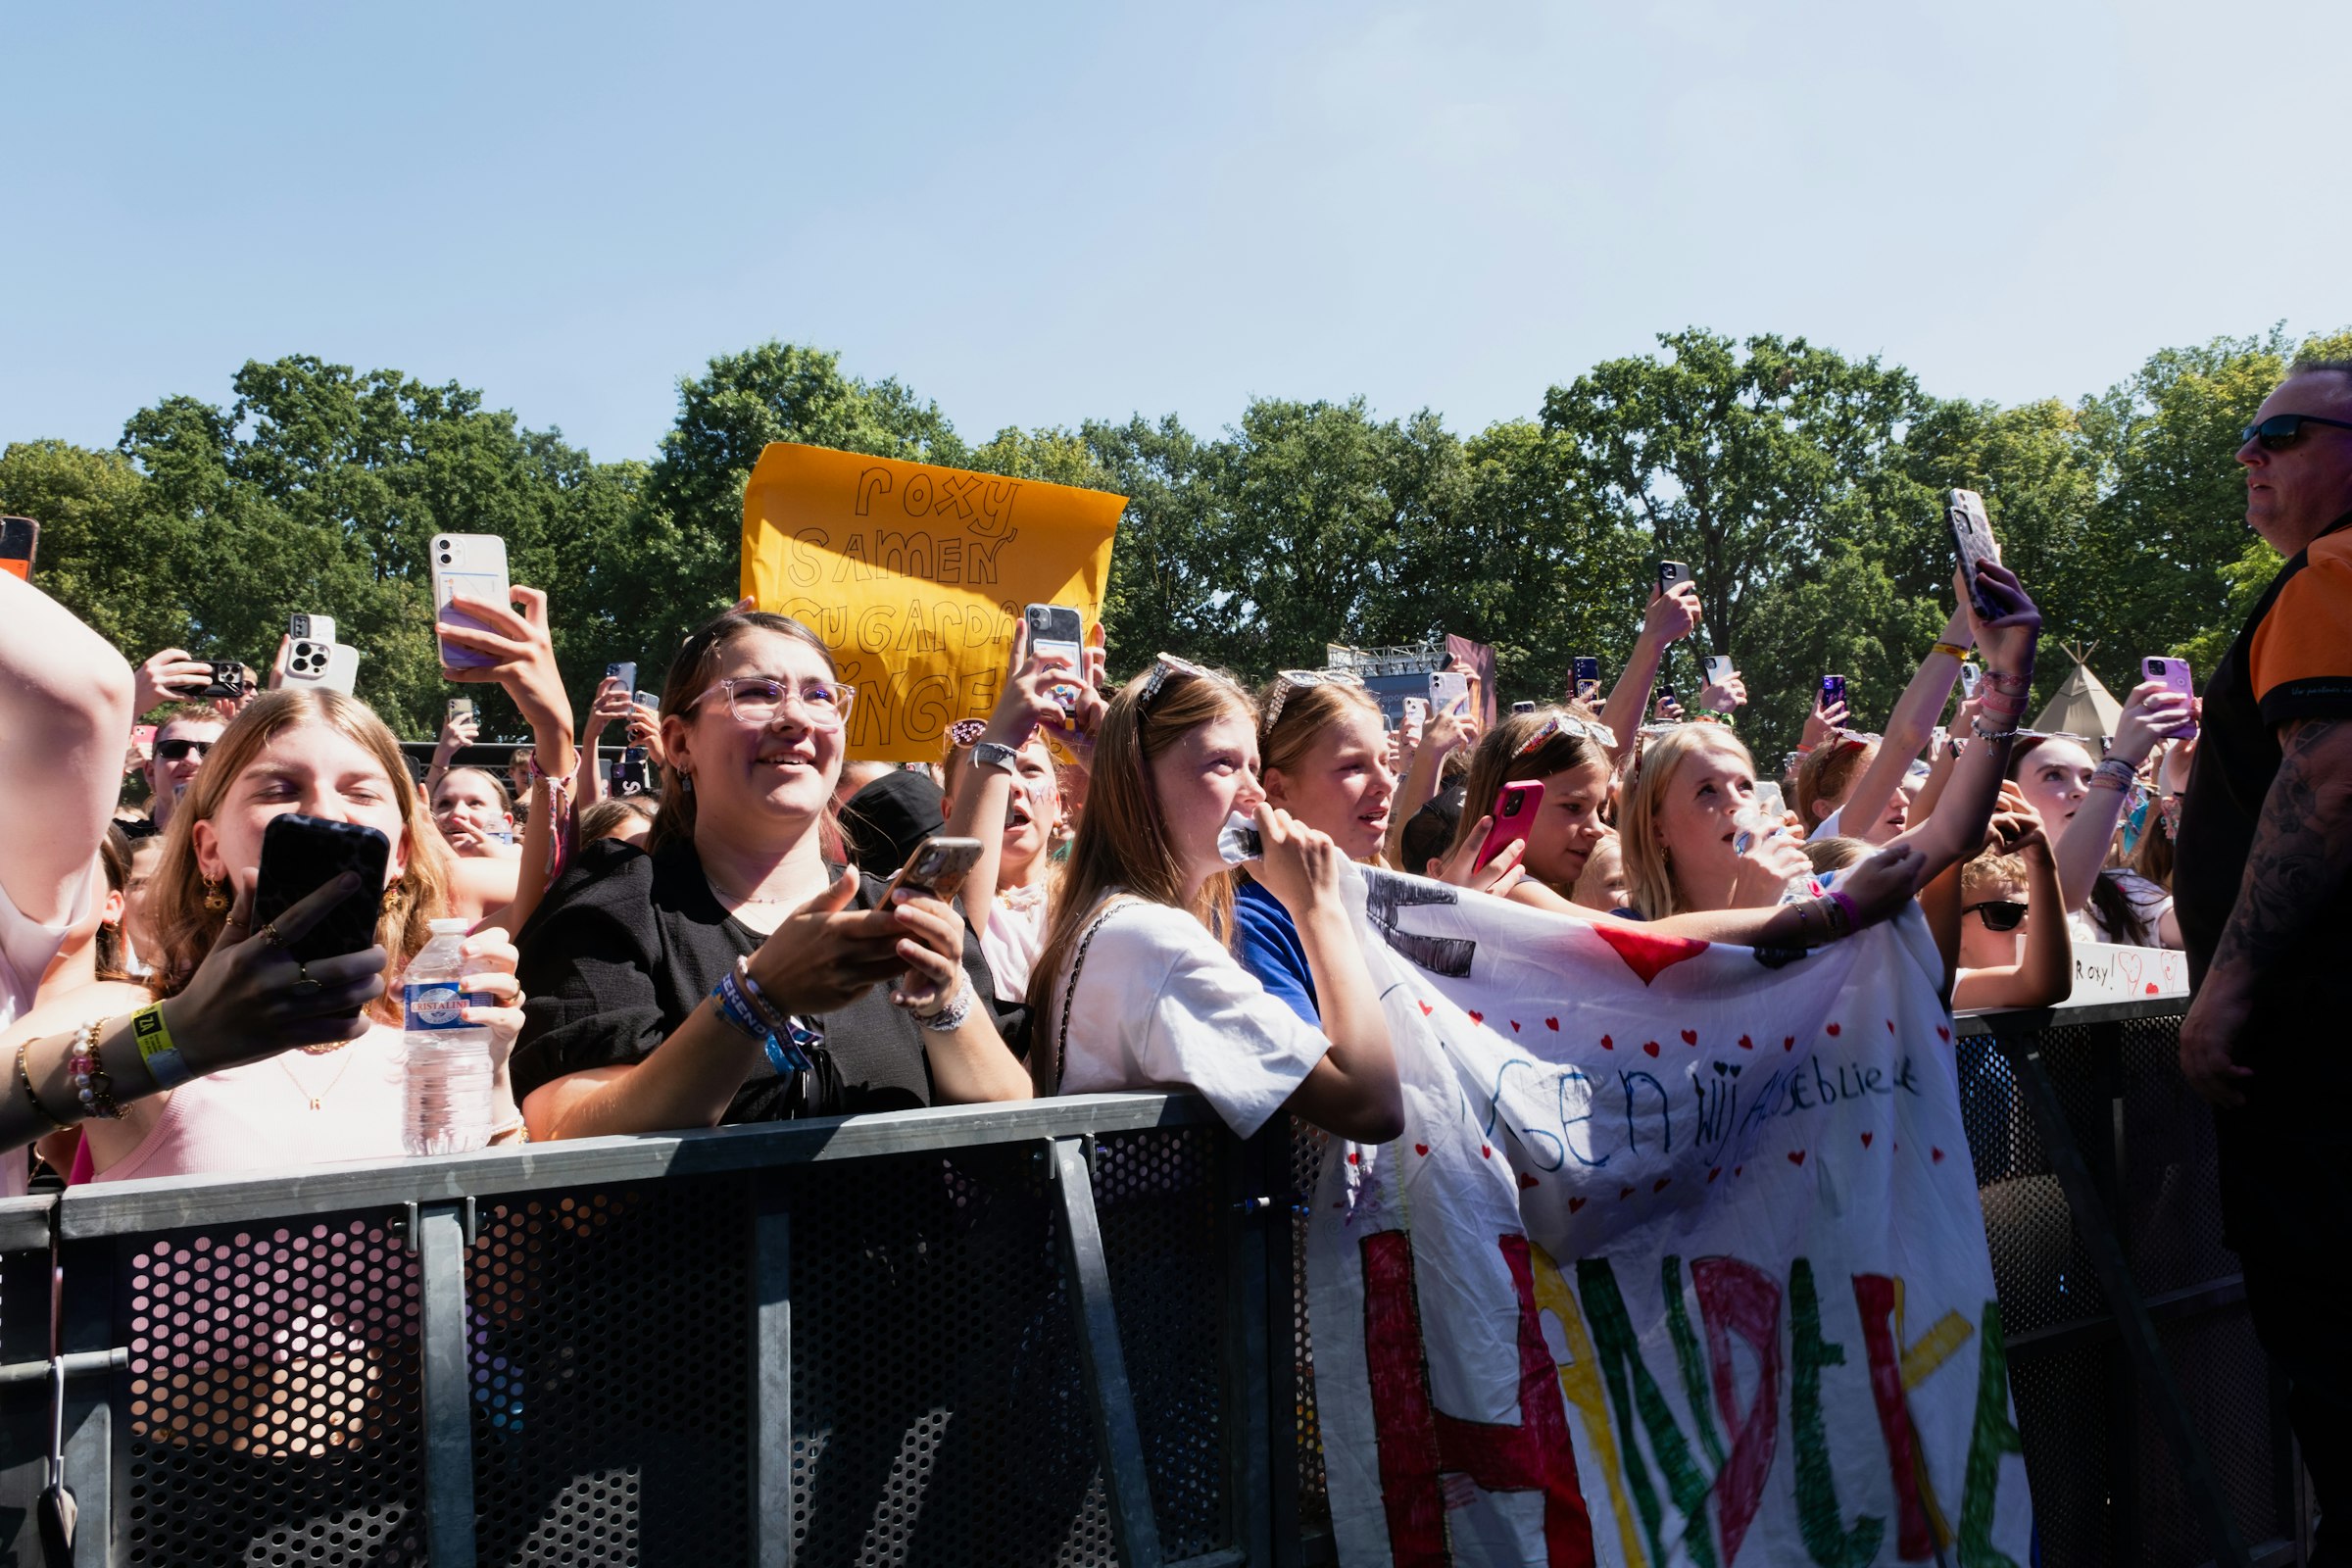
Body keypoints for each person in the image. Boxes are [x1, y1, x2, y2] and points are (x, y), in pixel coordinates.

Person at [511, 610, 1030, 1139]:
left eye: (820, 696)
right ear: (680, 743)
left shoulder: (898, 915)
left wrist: (946, 1001)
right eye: (758, 693)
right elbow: (567, 1130)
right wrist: (754, 999)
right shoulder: (615, 908)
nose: (796, 718)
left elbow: (1011, 1122)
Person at [73, 689, 529, 1182]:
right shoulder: (122, 1015)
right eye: (277, 790)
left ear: (399, 853)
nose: (325, 811)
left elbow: (495, 1223)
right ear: (209, 848)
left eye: (361, 794)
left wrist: (490, 1074)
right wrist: (179, 1032)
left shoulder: (434, 1035)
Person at [2172, 355, 2352, 1558]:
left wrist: (2225, 988)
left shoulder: (2335, 572)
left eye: (2281, 432)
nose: (2249, 453)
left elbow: (2331, 779)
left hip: (2327, 1079)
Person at [1027, 655, 1402, 1143]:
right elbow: (1372, 1108)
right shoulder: (1155, 939)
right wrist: (1317, 907)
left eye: (1254, 767)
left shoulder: (1125, 918)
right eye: (1223, 763)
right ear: (1137, 781)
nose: (1255, 794)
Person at [1618, 562, 2042, 934]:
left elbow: (1950, 831)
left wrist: (2007, 679)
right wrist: (1754, 905)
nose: (1736, 803)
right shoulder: (1627, 931)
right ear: (1657, 828)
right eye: (1706, 790)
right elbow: (1712, 988)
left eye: (1745, 786)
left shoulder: (1820, 894)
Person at [941, 623, 1102, 1004]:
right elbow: (958, 924)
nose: (1012, 785)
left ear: (1059, 805)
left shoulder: (1095, 896)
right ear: (949, 811)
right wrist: (998, 742)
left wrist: (1105, 750)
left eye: (1030, 770)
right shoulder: (918, 892)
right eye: (990, 775)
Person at [1238, 670, 1396, 1022]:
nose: (1385, 782)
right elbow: (1349, 1060)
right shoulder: (1253, 927)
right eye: (1353, 766)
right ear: (1278, 788)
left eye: (1386, 762)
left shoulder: (1372, 888)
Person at [2025, 679, 2194, 948]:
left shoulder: (2125, 891)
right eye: (2054, 775)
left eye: (2090, 778)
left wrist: (2190, 790)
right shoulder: (1979, 887)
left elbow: (2201, 926)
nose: (2081, 790)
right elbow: (2056, 898)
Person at [137, 702, 227, 839]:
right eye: (174, 748)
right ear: (150, 771)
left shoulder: (249, 846)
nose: (191, 760)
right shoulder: (116, 844)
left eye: (209, 751)